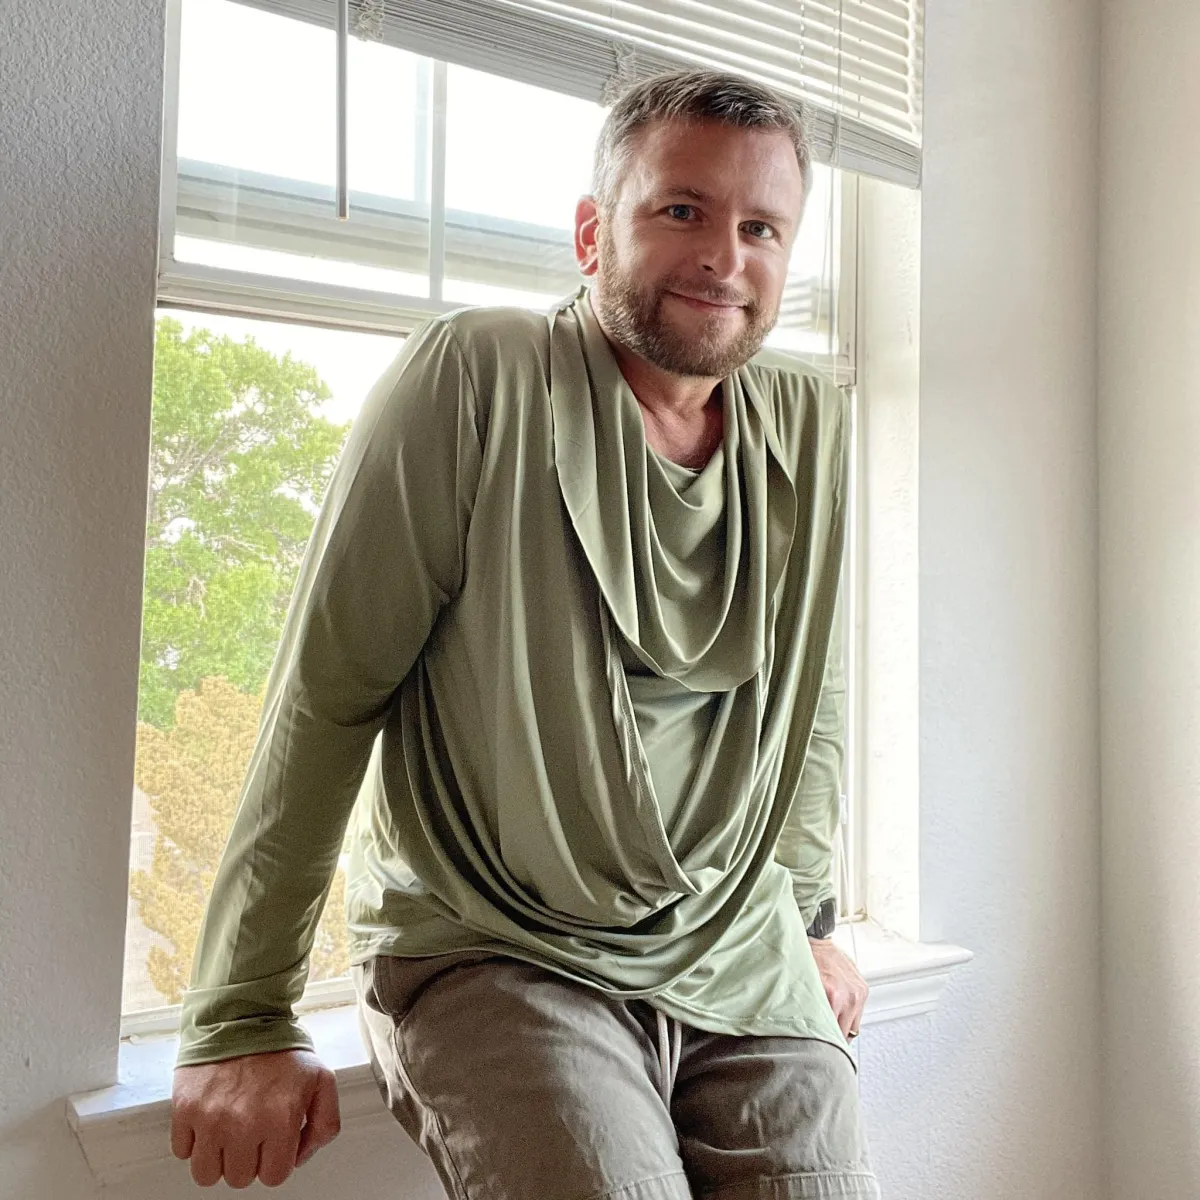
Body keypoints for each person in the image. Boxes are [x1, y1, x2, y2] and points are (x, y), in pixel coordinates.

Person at [169, 68, 878, 1199]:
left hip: (737, 943)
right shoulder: (477, 378)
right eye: (681, 209)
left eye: (761, 228)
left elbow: (809, 699)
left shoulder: (808, 423)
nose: (724, 257)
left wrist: (809, 918)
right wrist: (240, 1011)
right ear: (594, 233)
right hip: (496, 941)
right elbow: (327, 694)